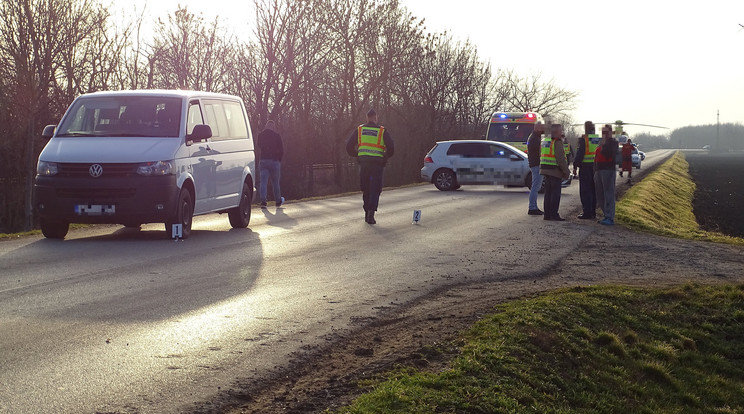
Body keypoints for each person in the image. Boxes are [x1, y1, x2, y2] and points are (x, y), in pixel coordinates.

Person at [346, 108, 394, 224]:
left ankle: (366, 212)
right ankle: (371, 214)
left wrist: (358, 155)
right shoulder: (382, 131)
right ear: (375, 118)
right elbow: (391, 148)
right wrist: (385, 157)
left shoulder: (360, 130)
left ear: (366, 118)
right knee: (375, 189)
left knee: (366, 189)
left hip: (364, 164)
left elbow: (348, 146)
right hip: (377, 165)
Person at [539, 123, 570, 221]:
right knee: (555, 194)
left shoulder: (545, 141)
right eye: (560, 131)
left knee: (548, 194)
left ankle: (547, 214)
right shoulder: (557, 142)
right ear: (557, 132)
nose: (562, 133)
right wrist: (566, 172)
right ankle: (554, 214)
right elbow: (560, 159)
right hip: (554, 171)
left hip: (545, 170)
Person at [573, 121, 600, 219]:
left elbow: (580, 154)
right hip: (595, 167)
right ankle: (593, 212)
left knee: (585, 191)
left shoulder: (584, 139)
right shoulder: (596, 139)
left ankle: (587, 212)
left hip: (585, 167)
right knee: (593, 190)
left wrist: (575, 166)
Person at [594, 124, 619, 225]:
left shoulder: (613, 143)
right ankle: (605, 215)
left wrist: (604, 144)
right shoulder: (601, 143)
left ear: (610, 132)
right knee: (600, 195)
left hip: (608, 170)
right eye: (603, 132)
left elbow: (608, 153)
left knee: (608, 193)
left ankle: (610, 217)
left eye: (606, 132)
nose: (604, 134)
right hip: (599, 170)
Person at [257, 120, 284, 208]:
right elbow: (281, 149)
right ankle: (278, 201)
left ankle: (263, 201)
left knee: (263, 182)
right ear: (273, 127)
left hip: (264, 160)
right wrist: (279, 160)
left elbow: (259, 145)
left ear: (266, 126)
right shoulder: (277, 136)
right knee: (275, 182)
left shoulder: (261, 135)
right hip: (274, 161)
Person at [526, 122, 546, 215]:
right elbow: (540, 151)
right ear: (537, 128)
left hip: (535, 164)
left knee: (536, 186)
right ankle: (532, 207)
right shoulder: (535, 139)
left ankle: (533, 206)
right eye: (542, 128)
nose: (543, 130)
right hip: (536, 164)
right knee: (535, 187)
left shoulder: (534, 137)